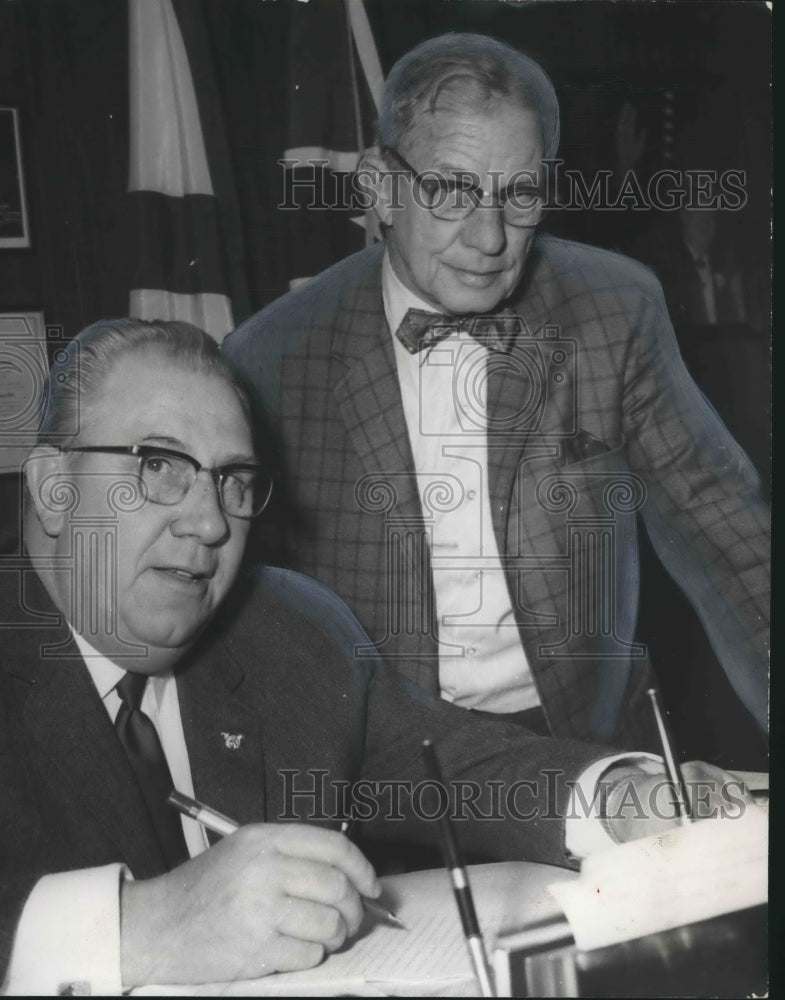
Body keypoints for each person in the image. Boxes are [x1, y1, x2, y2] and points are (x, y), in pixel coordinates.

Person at [1, 318, 740, 994]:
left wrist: (617, 798)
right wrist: (142, 927)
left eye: (232, 480)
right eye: (159, 466)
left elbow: (453, 764)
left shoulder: (282, 626)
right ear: (56, 489)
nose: (208, 522)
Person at [222, 32, 769, 750]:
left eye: (518, 195)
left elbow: (727, 537)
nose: (489, 238)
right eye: (450, 190)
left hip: (589, 739)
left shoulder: (611, 307)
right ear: (379, 188)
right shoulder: (272, 355)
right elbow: (243, 609)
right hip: (381, 756)